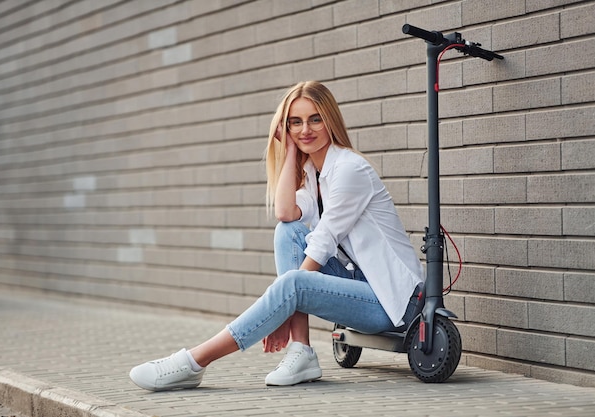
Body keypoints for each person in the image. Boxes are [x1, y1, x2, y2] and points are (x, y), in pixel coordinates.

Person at [129, 81, 425, 390]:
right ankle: (302, 351)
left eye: (315, 119)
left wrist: (285, 306)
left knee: (295, 281)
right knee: (288, 233)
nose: (305, 129)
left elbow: (323, 242)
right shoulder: (315, 173)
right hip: (360, 285)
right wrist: (289, 153)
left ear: (330, 120)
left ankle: (194, 361)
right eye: (295, 122)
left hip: (392, 302)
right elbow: (286, 214)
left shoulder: (350, 170)